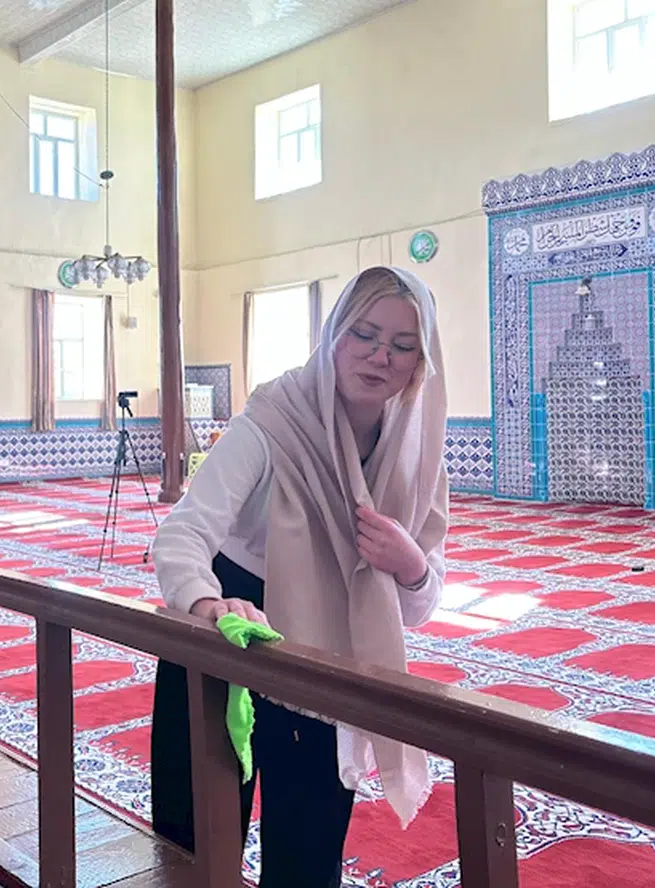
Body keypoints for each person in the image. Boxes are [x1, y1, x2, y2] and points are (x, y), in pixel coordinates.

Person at [149, 266, 448, 888]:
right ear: (333, 333)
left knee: (308, 849)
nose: (379, 356)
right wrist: (207, 606)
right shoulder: (273, 422)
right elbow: (181, 535)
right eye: (364, 334)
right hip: (231, 624)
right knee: (197, 841)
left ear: (421, 363)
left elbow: (416, 607)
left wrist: (410, 564)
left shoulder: (413, 454)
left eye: (402, 345)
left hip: (324, 649)